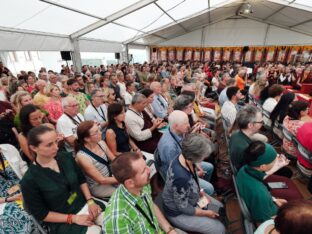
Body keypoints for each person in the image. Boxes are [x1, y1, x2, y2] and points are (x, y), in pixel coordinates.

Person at [21, 125, 105, 234]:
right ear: (33, 148)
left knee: (114, 220)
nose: (56, 147)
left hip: (84, 203)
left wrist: (90, 201)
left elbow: (81, 179)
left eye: (56, 142)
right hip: (63, 220)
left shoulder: (65, 157)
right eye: (49, 145)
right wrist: (73, 218)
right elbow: (41, 214)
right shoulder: (29, 180)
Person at [162, 133, 225, 234]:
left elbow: (193, 181)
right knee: (219, 229)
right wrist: (205, 213)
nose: (204, 159)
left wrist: (202, 193)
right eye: (204, 156)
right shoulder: (181, 177)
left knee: (220, 208)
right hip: (178, 212)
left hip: (191, 199)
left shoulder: (185, 158)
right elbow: (183, 207)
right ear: (195, 156)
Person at [103, 152, 178, 234]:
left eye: (146, 165)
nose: (149, 170)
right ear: (130, 183)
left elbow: (150, 205)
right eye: (143, 171)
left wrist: (169, 230)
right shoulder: (118, 220)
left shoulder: (141, 185)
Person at [157, 110, 215, 195]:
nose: (188, 125)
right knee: (210, 188)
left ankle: (199, 190)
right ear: (176, 126)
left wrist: (196, 165)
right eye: (185, 123)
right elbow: (177, 171)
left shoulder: (177, 132)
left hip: (184, 160)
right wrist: (196, 172)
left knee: (209, 167)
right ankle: (201, 193)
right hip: (177, 176)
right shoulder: (169, 147)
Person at [236, 141, 287, 223]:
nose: (277, 160)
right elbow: (265, 220)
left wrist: (273, 200)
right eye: (274, 160)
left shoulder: (244, 169)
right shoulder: (259, 193)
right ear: (263, 166)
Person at [75, 121, 117, 199]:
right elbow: (101, 180)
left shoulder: (101, 143)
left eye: (99, 130)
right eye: (96, 132)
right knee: (128, 190)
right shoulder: (82, 156)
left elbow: (115, 160)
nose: (100, 133)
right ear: (87, 139)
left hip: (111, 176)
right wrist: (123, 178)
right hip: (99, 186)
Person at [0, 144, 37, 234]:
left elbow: (24, 170)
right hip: (4, 201)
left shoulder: (9, 148)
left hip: (24, 189)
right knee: (10, 217)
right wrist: (10, 199)